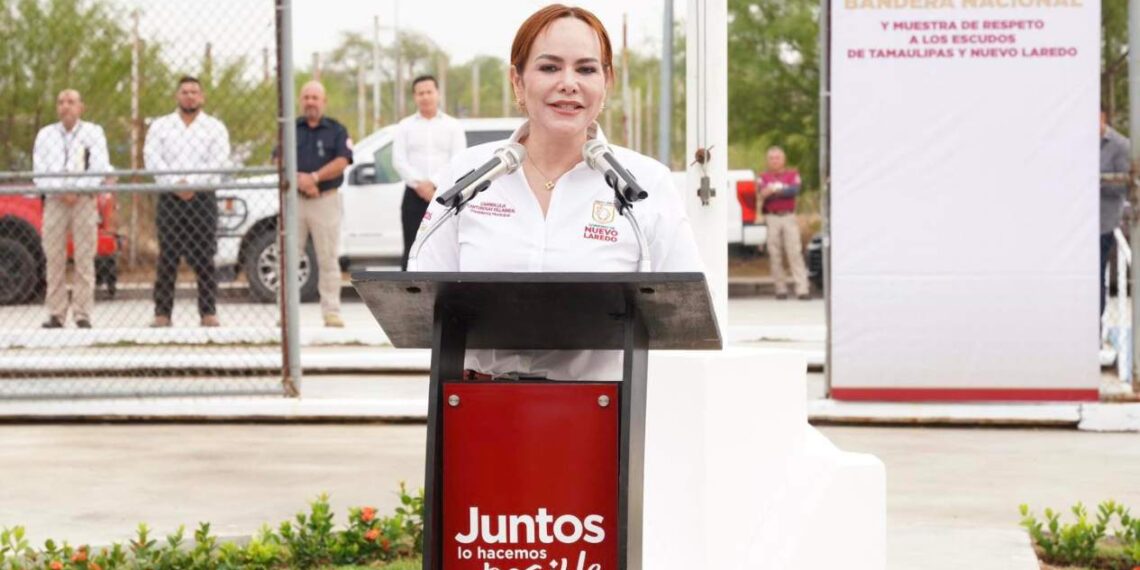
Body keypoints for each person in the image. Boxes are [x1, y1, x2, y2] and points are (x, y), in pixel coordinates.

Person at [412, 4, 703, 381]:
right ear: (517, 81)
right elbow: (420, 289)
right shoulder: (467, 175)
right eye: (549, 67)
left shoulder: (645, 183)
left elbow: (686, 310)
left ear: (606, 81)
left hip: (603, 414)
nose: (569, 83)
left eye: (586, 69)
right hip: (477, 410)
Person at [145, 76, 230, 327]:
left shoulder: (214, 127)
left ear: (201, 97)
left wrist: (192, 183)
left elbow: (219, 161)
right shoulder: (161, 126)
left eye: (194, 92)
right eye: (185, 91)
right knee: (168, 256)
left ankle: (208, 312)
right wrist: (175, 183)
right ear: (177, 96)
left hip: (202, 197)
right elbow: (152, 157)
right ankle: (162, 313)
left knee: (205, 256)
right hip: (170, 197)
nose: (190, 96)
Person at [33, 89, 112, 329]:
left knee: (84, 257)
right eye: (61, 102)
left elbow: (99, 166)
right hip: (56, 201)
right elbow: (39, 170)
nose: (66, 106)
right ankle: (56, 312)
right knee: (54, 257)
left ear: (81, 107)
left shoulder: (93, 133)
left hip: (84, 200)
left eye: (71, 102)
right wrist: (61, 190)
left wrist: (76, 189)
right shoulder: (46, 134)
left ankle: (82, 313)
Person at [291, 81, 353, 327]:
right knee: (288, 258)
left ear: (323, 101)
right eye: (306, 97)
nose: (310, 102)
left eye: (315, 97)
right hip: (294, 200)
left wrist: (314, 178)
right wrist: (300, 181)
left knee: (327, 258)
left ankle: (331, 311)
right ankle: (285, 315)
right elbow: (278, 158)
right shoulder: (290, 128)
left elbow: (342, 160)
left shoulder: (336, 130)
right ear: (300, 100)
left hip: (324, 200)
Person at [393, 75, 466, 271]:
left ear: (438, 94)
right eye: (420, 93)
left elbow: (458, 159)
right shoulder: (404, 126)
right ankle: (409, 298)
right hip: (413, 195)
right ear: (414, 97)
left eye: (429, 92)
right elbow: (399, 161)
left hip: (445, 195)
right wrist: (420, 184)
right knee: (412, 247)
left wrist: (434, 183)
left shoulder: (453, 126)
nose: (425, 97)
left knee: (445, 247)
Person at [758, 146, 809, 300]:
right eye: (771, 158)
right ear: (768, 161)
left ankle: (802, 289)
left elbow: (793, 191)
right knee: (775, 254)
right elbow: (762, 193)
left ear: (783, 159)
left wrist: (774, 190)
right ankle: (780, 289)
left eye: (777, 157)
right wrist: (778, 190)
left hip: (789, 217)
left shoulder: (792, 174)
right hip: (772, 217)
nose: (774, 161)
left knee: (794, 252)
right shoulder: (763, 177)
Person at [1100, 107, 1131, 317]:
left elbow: (1126, 187)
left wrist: (1098, 183)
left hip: (1102, 223)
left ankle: (1094, 332)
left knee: (1093, 278)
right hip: (1074, 223)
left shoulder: (1120, 145)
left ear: (1103, 117)